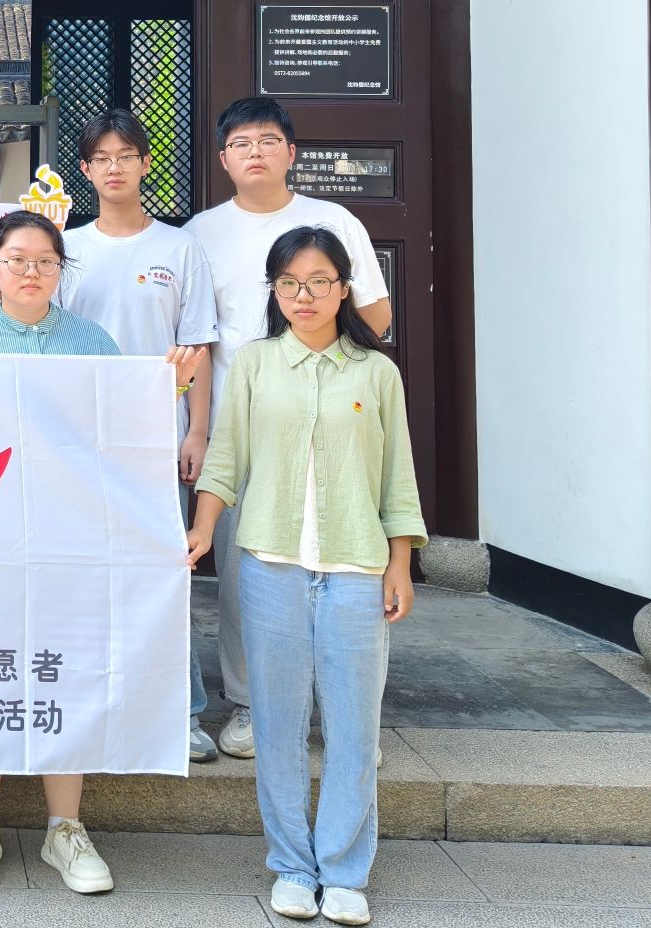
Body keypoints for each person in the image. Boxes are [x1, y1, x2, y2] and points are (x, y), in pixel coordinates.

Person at [184, 225, 424, 926]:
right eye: (289, 283)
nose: (304, 295)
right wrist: (203, 528)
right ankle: (292, 864)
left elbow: (398, 478)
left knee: (354, 727)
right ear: (275, 292)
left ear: (344, 289)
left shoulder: (376, 373)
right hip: (270, 566)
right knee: (278, 725)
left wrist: (400, 563)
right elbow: (225, 459)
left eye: (319, 281)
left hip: (356, 568)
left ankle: (345, 872)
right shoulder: (255, 364)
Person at [184, 97, 391, 762]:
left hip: (331, 424)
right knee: (248, 577)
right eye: (241, 143)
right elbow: (196, 339)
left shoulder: (333, 221)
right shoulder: (200, 233)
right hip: (245, 429)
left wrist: (311, 347)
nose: (256, 153)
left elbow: (377, 317)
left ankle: (345, 713)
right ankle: (252, 706)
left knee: (343, 568)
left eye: (268, 141)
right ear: (223, 159)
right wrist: (200, 430)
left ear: (292, 153)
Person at [0, 210, 121, 896]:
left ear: (62, 270)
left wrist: (173, 386)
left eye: (45, 261)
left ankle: (65, 828)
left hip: (71, 538)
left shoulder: (94, 343)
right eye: (16, 260)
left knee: (64, 671)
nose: (31, 272)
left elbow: (124, 433)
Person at [57, 109, 221, 761]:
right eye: (102, 158)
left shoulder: (179, 248)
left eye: (126, 155)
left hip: (158, 438)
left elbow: (197, 346)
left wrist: (198, 431)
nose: (115, 168)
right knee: (84, 575)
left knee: (164, 575)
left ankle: (182, 712)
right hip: (80, 442)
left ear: (146, 164)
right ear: (85, 169)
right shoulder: (65, 250)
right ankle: (89, 703)